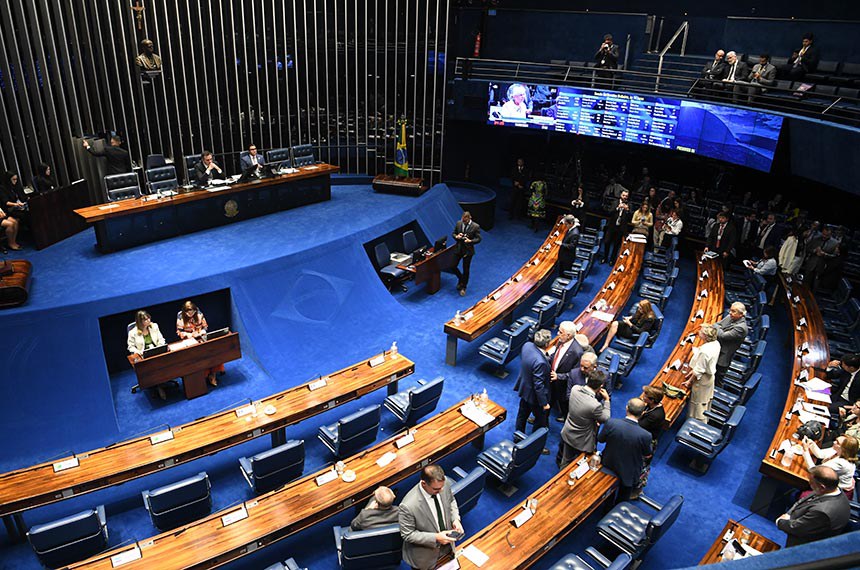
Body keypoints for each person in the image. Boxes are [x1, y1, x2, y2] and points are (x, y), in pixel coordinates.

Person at [399, 464, 463, 570]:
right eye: (436, 489)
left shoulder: (443, 483)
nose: (441, 491)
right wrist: (436, 537)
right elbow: (408, 534)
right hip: (425, 556)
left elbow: (451, 500)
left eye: (442, 487)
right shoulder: (408, 505)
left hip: (448, 546)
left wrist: (455, 519)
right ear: (424, 484)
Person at [776, 465, 850, 547]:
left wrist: (780, 522)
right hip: (804, 522)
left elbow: (798, 528)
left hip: (804, 546)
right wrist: (789, 514)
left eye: (811, 482)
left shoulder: (822, 512)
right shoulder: (832, 489)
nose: (809, 483)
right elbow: (802, 501)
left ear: (822, 487)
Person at [596, 398, 652, 503]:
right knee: (622, 499)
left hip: (609, 464)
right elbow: (647, 454)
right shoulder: (646, 435)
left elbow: (600, 439)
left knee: (608, 497)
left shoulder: (611, 423)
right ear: (643, 413)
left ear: (627, 408)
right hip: (629, 473)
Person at [559, 369, 610, 469]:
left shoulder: (575, 389)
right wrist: (607, 400)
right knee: (580, 465)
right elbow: (606, 418)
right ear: (600, 387)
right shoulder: (595, 405)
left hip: (568, 432)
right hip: (582, 441)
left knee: (565, 461)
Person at [514, 329, 552, 454]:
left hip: (524, 388)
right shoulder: (540, 362)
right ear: (547, 344)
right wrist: (544, 403)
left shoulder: (527, 346)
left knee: (522, 415)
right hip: (535, 397)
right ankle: (536, 447)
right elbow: (539, 385)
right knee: (541, 422)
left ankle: (517, 436)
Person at [176, 300, 223, 386]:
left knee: (213, 352)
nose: (191, 314)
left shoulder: (199, 313)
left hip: (201, 337)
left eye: (193, 312)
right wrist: (189, 335)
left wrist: (202, 331)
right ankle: (202, 376)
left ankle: (213, 374)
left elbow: (205, 327)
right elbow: (179, 332)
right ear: (185, 312)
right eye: (189, 313)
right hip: (189, 339)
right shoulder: (180, 316)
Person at [632, 385, 666, 500]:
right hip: (643, 438)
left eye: (646, 395)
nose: (643, 396)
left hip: (648, 443)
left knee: (643, 467)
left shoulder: (656, 415)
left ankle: (638, 490)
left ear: (652, 400)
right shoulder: (650, 407)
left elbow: (638, 425)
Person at [682, 325, 721, 421]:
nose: (699, 332)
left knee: (698, 404)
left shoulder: (704, 351)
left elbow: (698, 371)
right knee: (705, 401)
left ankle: (696, 424)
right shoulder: (716, 343)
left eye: (701, 332)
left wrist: (689, 382)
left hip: (702, 381)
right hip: (709, 378)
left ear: (706, 336)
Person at [549, 321, 585, 422]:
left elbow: (575, 374)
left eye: (560, 332)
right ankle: (540, 418)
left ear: (568, 335)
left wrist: (558, 376)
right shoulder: (561, 341)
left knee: (563, 405)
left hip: (563, 385)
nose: (557, 334)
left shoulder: (577, 352)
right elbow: (555, 355)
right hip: (552, 379)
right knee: (547, 401)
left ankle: (566, 420)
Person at [127, 310, 168, 398]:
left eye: (148, 318)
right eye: (145, 320)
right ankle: (158, 385)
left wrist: (160, 346)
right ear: (140, 322)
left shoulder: (154, 326)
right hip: (143, 355)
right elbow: (131, 347)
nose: (148, 320)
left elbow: (161, 339)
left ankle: (161, 380)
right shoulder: (132, 333)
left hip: (156, 351)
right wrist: (139, 352)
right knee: (151, 366)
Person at [713, 302, 748, 387]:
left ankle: (715, 395)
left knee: (717, 378)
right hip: (718, 348)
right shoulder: (730, 317)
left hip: (724, 356)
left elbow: (723, 336)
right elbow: (716, 324)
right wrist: (719, 328)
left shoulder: (741, 328)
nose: (730, 312)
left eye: (733, 311)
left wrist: (719, 328)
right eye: (730, 310)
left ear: (741, 314)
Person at [451, 211, 481, 296]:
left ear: (469, 218)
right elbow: (453, 233)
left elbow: (479, 239)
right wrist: (456, 236)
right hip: (459, 248)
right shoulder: (459, 223)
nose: (463, 222)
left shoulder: (475, 226)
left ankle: (464, 287)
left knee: (466, 269)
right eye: (463, 220)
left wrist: (471, 241)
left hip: (468, 251)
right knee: (452, 266)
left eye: (465, 221)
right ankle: (461, 279)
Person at [602, 189, 631, 264]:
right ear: (620, 195)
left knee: (616, 244)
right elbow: (609, 212)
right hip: (611, 226)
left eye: (626, 196)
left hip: (621, 228)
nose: (625, 197)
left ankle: (612, 259)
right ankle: (605, 257)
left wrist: (627, 210)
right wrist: (617, 208)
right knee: (607, 242)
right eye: (623, 195)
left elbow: (630, 216)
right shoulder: (615, 202)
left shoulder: (629, 205)